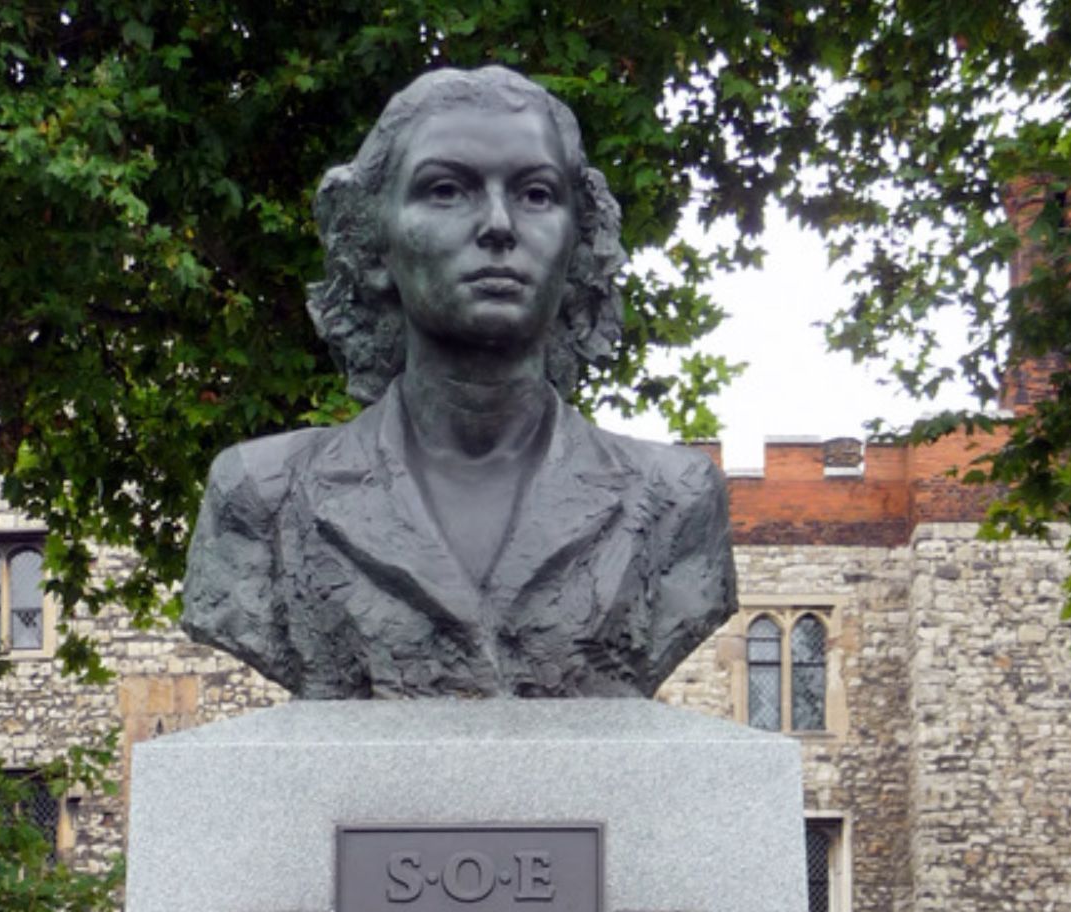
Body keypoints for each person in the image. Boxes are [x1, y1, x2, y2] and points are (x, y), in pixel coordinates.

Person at [181, 66, 735, 699]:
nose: (499, 224)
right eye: (446, 190)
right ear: (372, 245)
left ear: (578, 246)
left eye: (536, 194)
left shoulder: (676, 500)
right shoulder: (258, 497)